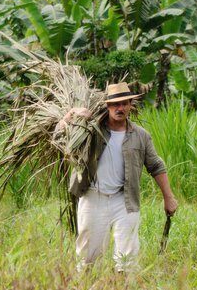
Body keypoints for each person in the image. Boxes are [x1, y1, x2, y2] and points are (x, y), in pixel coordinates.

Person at [59, 82, 178, 271]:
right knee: (87, 259)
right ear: (107, 106)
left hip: (124, 200)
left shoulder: (141, 136)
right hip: (93, 197)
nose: (119, 108)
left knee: (127, 258)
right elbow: (59, 136)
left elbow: (156, 165)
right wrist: (70, 115)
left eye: (124, 103)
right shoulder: (89, 130)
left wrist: (168, 197)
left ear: (131, 105)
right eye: (115, 104)